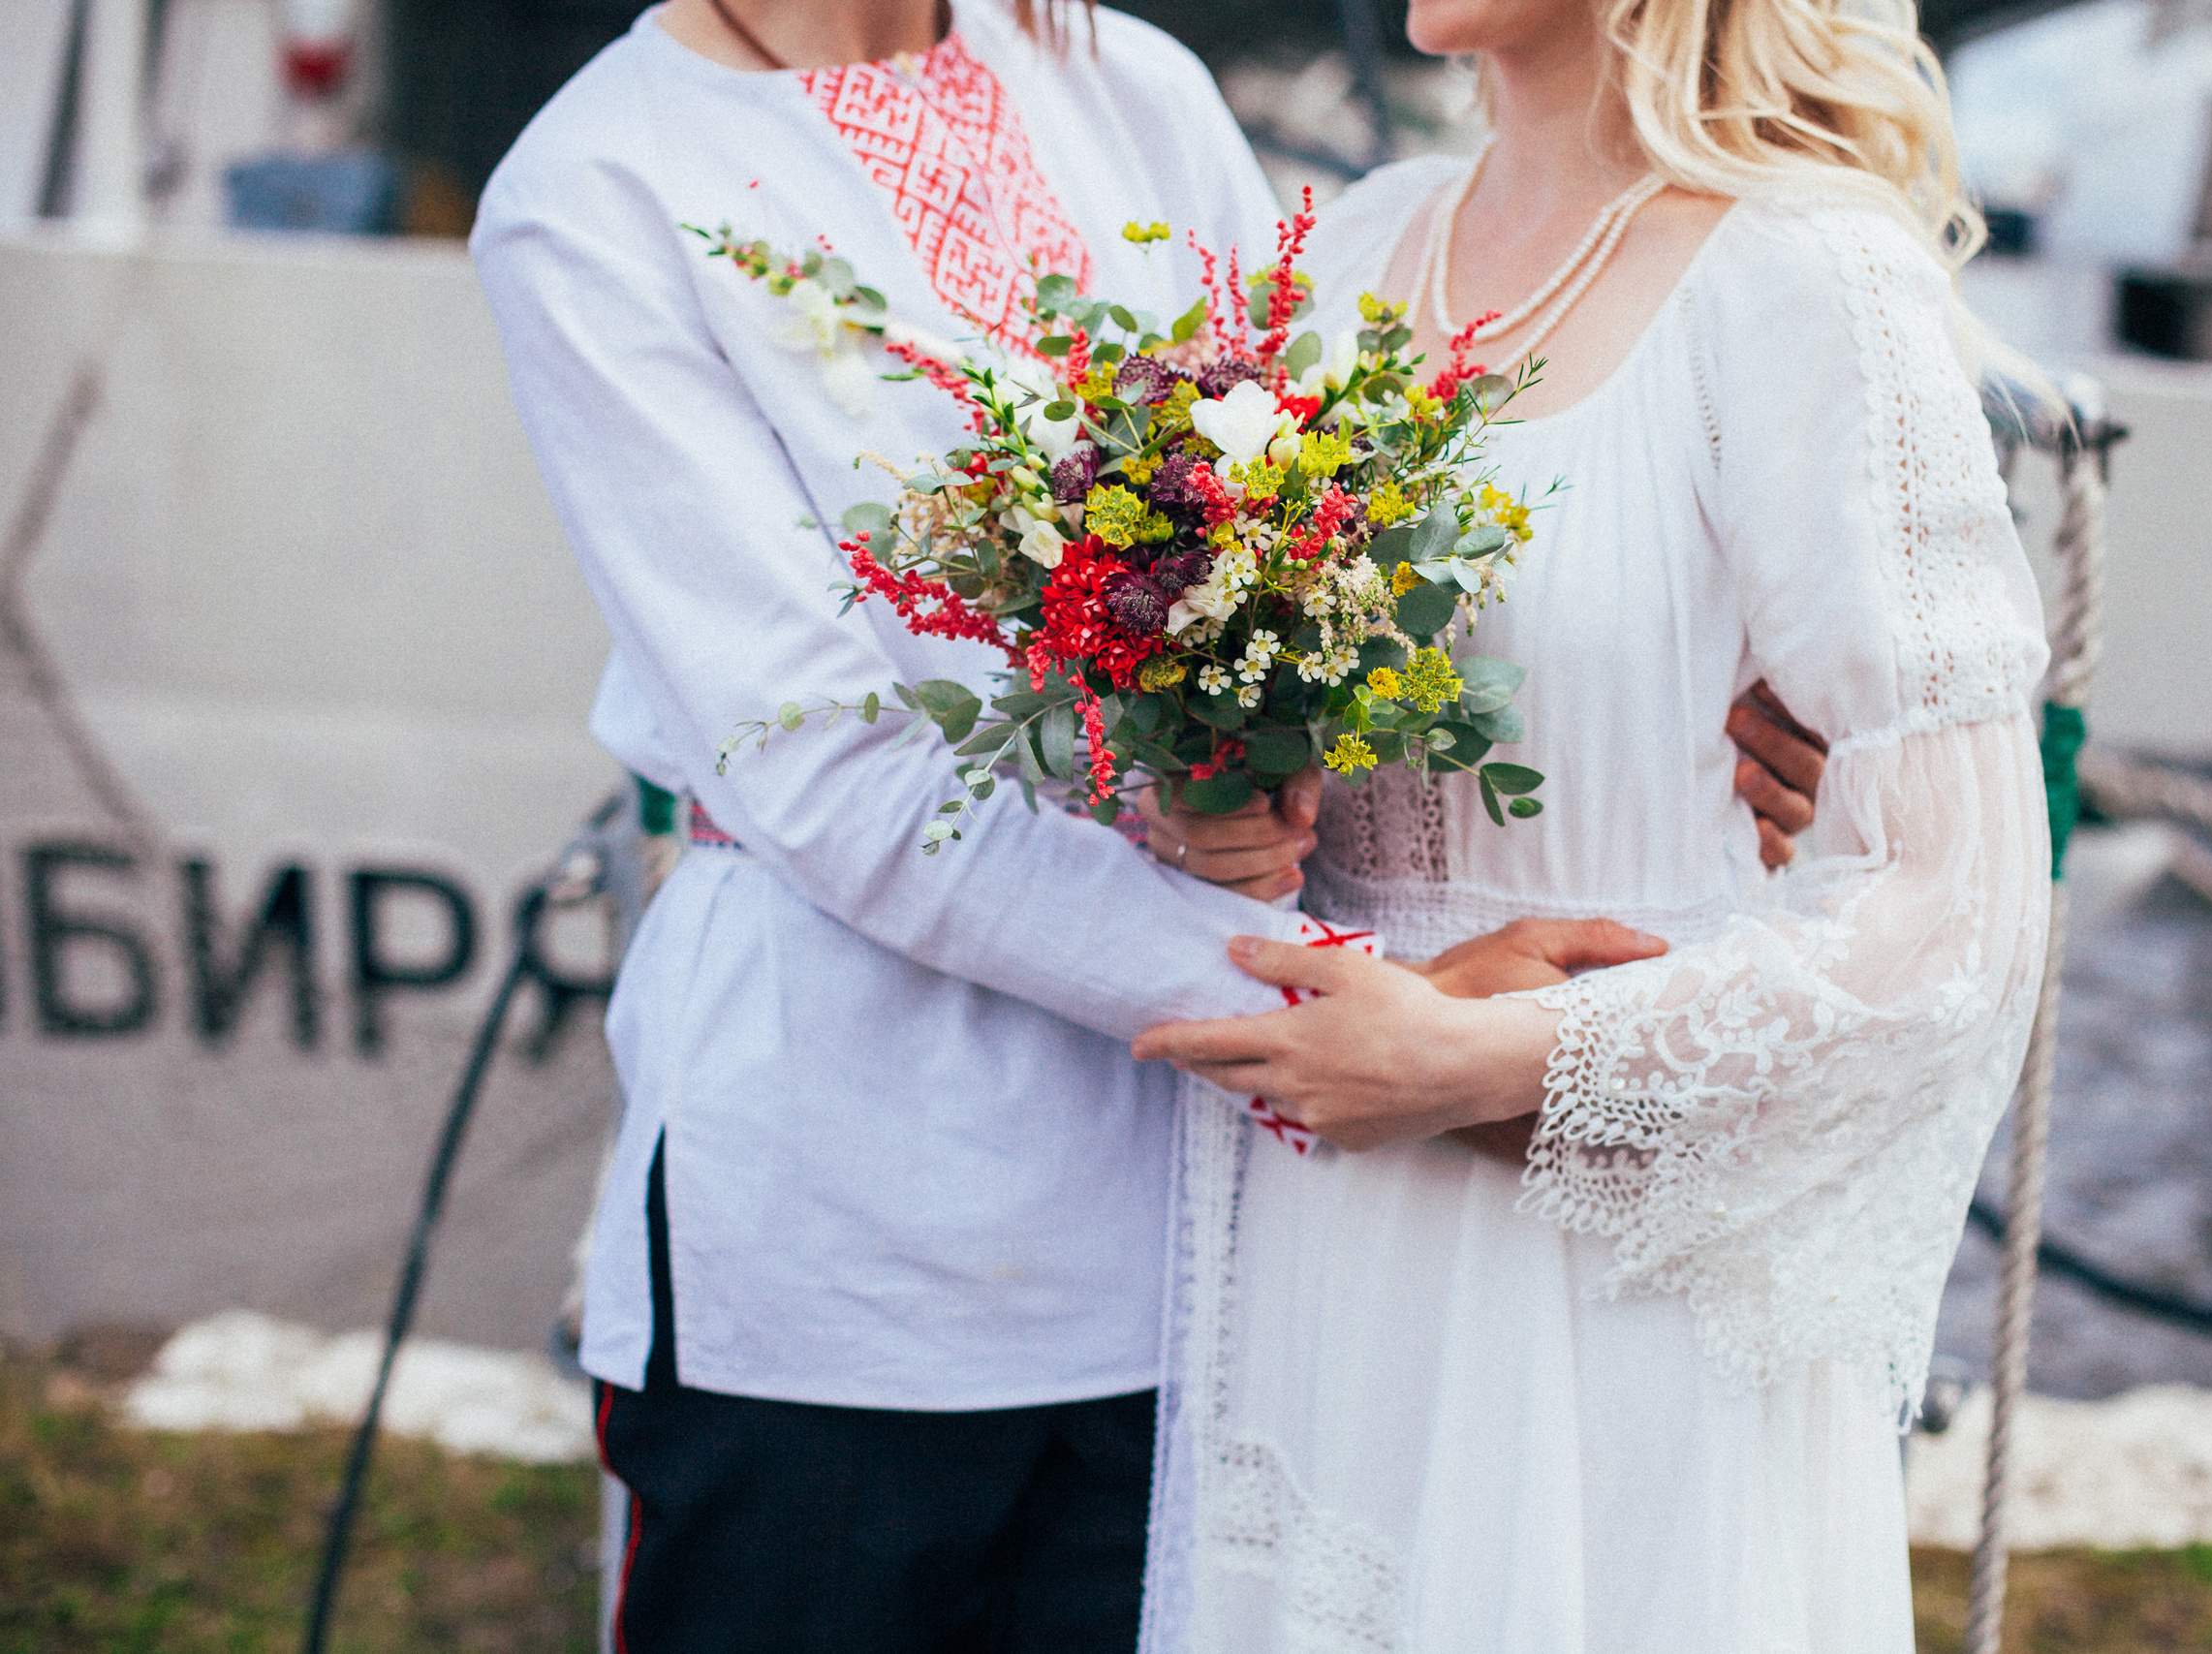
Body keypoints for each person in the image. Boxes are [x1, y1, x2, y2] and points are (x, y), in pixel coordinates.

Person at [471, 0, 1824, 1646]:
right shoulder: (599, 187)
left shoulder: (1129, 80)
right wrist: (1350, 1009)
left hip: (1233, 1250)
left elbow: (1358, 531)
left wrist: (1744, 694)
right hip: (859, 1247)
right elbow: (824, 774)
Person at [1128, 0, 2054, 1643]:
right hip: (1322, 1236)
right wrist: (1197, 806)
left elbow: (1955, 911)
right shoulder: (1344, 256)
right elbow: (1232, 733)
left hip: (1608, 1268)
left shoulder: (1805, 277)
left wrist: (1483, 1067)